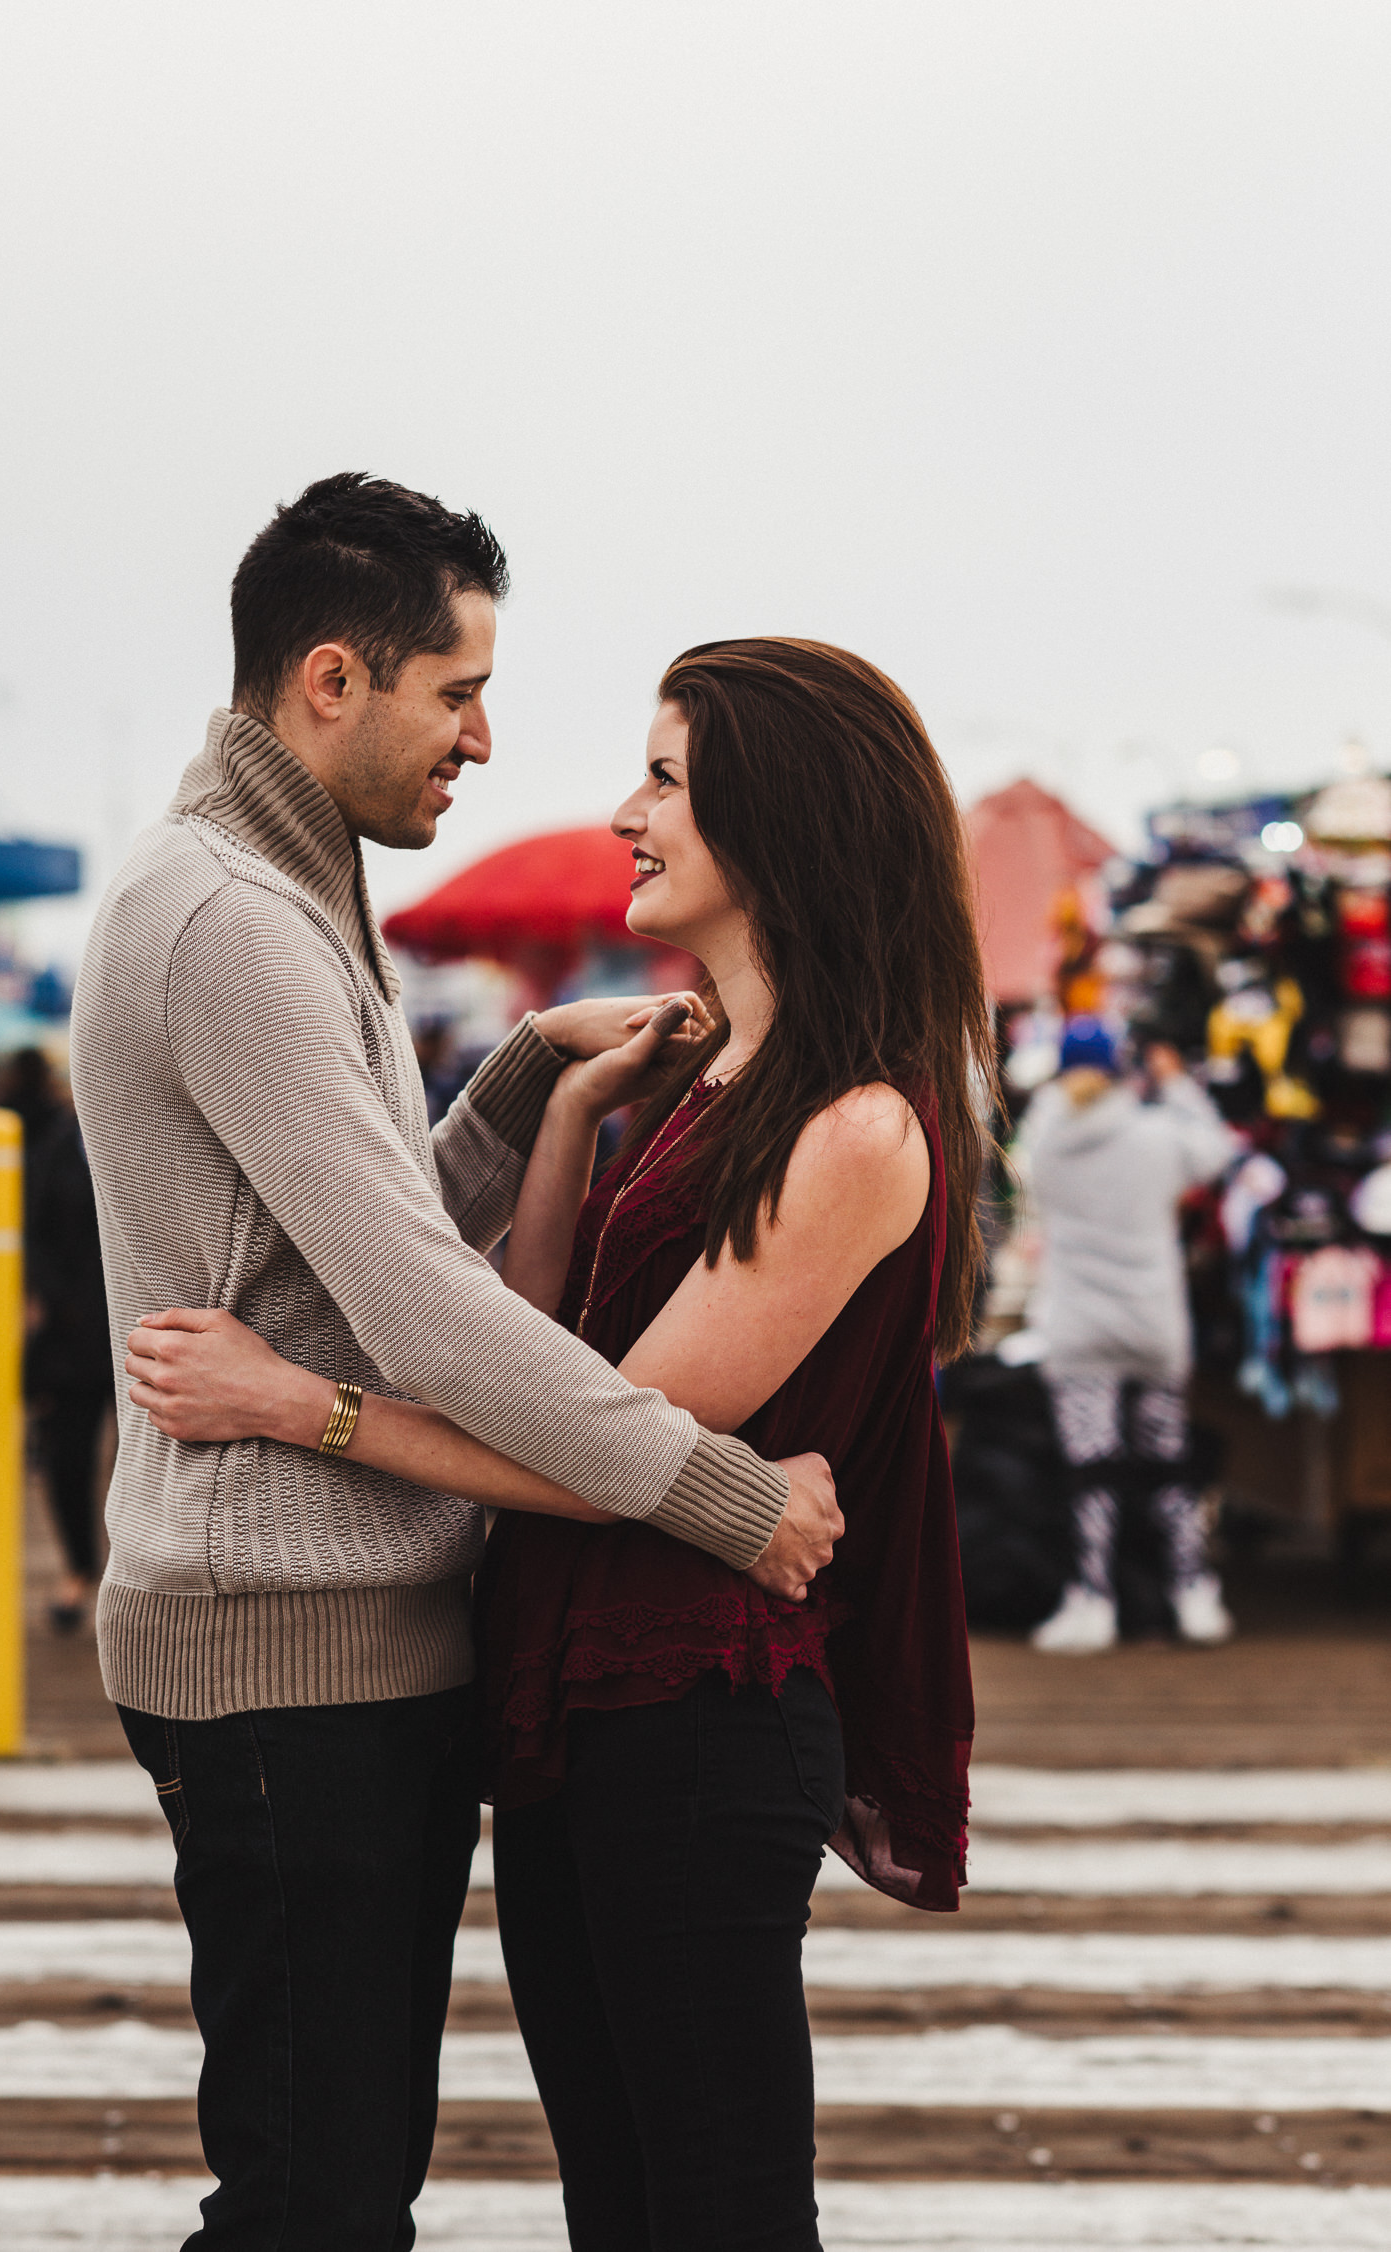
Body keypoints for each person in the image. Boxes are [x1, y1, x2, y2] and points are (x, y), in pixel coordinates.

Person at [131, 635, 987, 2252]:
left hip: (699, 1707)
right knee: (619, 2198)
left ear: (780, 819)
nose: (623, 815)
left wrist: (295, 1404)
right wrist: (576, 1116)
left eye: (664, 779)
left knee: (715, 2202)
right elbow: (533, 1351)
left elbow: (617, 1441)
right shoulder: (709, 1080)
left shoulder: (856, 1124)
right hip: (574, 1700)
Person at [1021, 1015, 1238, 1655]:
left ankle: (1093, 1601)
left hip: (1080, 1327)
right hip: (1153, 1325)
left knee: (1092, 1471)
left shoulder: (1047, 1137)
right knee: (1168, 1464)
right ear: (1122, 1069)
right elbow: (1218, 1153)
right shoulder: (1157, 1136)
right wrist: (1175, 1084)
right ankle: (1194, 1594)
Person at [25, 1097, 112, 1632]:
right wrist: (55, 1300)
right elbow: (33, 1233)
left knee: (154, 1456)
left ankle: (140, 1575)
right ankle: (79, 1567)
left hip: (153, 1326)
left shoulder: (161, 1128)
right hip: (74, 1333)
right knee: (68, 1457)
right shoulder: (57, 1146)